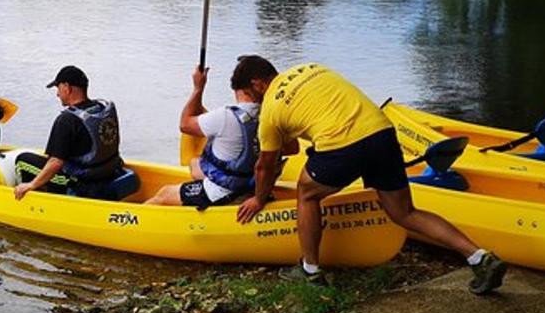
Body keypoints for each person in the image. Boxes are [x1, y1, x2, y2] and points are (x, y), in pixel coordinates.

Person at [234, 60, 507, 294]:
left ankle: (310, 270)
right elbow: (295, 139)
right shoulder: (312, 69)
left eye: (249, 94)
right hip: (383, 134)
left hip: (343, 146)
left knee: (306, 193)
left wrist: (258, 199)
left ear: (258, 84)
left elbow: (264, 166)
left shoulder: (270, 109)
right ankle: (479, 257)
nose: (253, 102)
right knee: (404, 212)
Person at [145, 59, 264, 208]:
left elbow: (185, 125)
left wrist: (198, 88)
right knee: (194, 164)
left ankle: (130, 222)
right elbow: (292, 149)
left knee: (163, 194)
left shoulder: (226, 117)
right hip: (249, 182)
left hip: (223, 192)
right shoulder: (268, 114)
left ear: (235, 87)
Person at [13, 65, 124, 200]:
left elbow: (56, 162)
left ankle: (31, 201)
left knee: (22, 160)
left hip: (81, 182)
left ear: (67, 87)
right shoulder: (102, 108)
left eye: (58, 88)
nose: (57, 94)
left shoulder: (66, 120)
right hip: (109, 171)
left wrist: (31, 184)